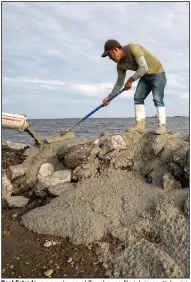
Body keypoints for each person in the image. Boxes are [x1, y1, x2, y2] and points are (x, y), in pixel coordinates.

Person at [101, 39, 167, 135]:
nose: (110, 58)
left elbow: (144, 67)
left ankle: (162, 126)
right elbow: (119, 83)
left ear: (115, 50)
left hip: (158, 73)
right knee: (138, 98)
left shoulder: (133, 48)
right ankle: (140, 126)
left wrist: (131, 80)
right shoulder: (120, 65)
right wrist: (109, 97)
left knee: (157, 98)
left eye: (109, 55)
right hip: (145, 76)